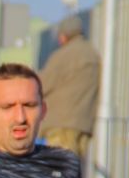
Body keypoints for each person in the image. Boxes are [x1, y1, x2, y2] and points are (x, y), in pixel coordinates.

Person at [39, 17, 100, 161]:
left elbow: (42, 84)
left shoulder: (63, 55)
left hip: (61, 124)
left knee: (58, 166)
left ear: (64, 36)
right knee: (74, 167)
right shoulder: (93, 55)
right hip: (84, 123)